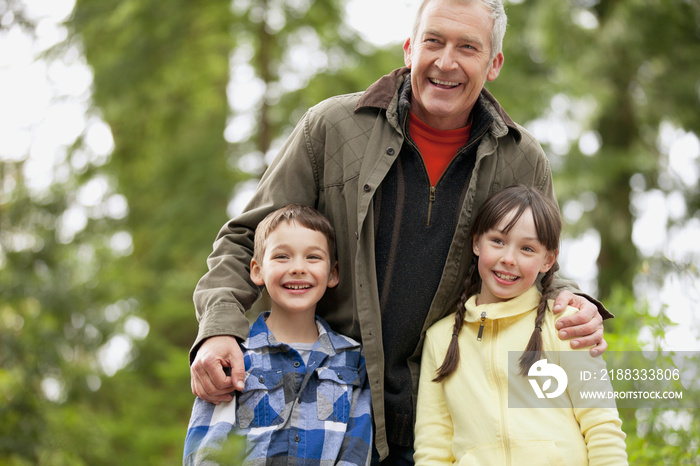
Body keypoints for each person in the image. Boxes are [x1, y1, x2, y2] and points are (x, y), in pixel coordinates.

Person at [190, 0, 612, 462]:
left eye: (467, 47)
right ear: (410, 48)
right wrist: (217, 329)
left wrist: (573, 299)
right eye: (434, 41)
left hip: (447, 428)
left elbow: (535, 262)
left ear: (494, 64)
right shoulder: (331, 128)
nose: (446, 61)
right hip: (332, 412)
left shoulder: (522, 158)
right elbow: (245, 239)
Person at [414, 185, 627, 465]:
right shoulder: (439, 339)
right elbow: (433, 448)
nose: (509, 259)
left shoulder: (565, 323)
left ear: (548, 260)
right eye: (498, 241)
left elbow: (602, 425)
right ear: (477, 242)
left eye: (527, 248)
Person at [184, 204, 373, 465]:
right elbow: (207, 449)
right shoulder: (235, 356)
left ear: (333, 273)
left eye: (313, 257)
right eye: (282, 256)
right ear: (257, 270)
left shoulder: (353, 359)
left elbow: (357, 451)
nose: (297, 267)